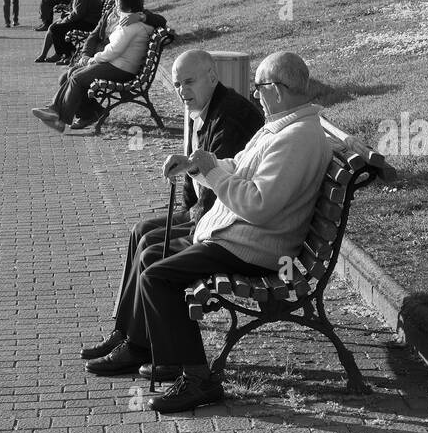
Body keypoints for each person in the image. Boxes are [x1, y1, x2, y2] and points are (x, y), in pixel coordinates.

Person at [83, 52, 332, 414]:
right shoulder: (282, 126)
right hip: (240, 235)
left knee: (158, 276)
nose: (255, 94)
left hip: (256, 246)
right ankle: (156, 353)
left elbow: (259, 203)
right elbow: (241, 166)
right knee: (153, 254)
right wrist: (201, 165)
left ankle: (198, 379)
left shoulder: (296, 138)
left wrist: (213, 175)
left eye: (259, 87)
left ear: (277, 90)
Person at [79, 50, 263, 381]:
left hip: (224, 220)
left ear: (212, 77)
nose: (182, 91)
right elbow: (201, 184)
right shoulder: (207, 109)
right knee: (140, 230)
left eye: (189, 82)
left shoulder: (229, 117)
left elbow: (213, 198)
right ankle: (126, 332)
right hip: (209, 210)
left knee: (152, 241)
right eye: (177, 84)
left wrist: (190, 217)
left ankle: (139, 344)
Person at [32, 0, 155, 132]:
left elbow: (114, 50)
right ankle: (87, 113)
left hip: (121, 68)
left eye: (118, 3)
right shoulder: (128, 22)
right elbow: (104, 43)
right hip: (115, 64)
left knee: (77, 78)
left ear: (126, 7)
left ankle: (59, 119)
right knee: (69, 74)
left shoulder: (131, 25)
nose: (116, 6)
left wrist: (93, 59)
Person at [35, 0, 102, 62]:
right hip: (86, 20)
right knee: (55, 26)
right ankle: (58, 54)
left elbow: (78, 13)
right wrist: (65, 17)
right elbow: (76, 10)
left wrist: (64, 20)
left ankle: (66, 54)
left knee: (57, 28)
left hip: (89, 23)